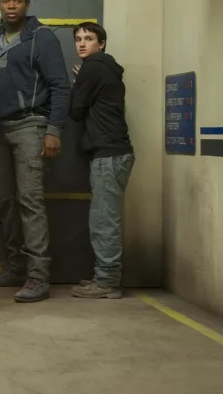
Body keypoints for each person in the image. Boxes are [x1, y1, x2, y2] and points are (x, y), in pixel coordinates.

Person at [0, 0, 71, 303]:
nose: (11, 5)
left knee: (30, 201)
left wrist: (54, 130)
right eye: (6, 0)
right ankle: (16, 267)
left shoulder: (41, 37)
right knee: (5, 200)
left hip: (31, 126)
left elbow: (61, 86)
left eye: (17, 0)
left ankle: (38, 277)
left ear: (27, 4)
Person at [69, 22, 134, 299]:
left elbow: (75, 110)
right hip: (112, 154)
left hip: (109, 155)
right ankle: (104, 276)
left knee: (104, 221)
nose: (82, 43)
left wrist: (78, 84)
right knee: (103, 218)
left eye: (89, 38)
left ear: (102, 43)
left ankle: (107, 281)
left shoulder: (93, 67)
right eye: (78, 39)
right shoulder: (105, 68)